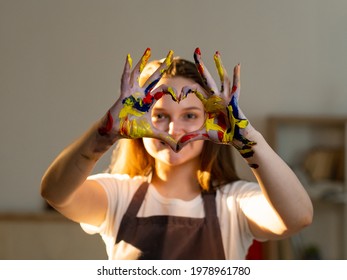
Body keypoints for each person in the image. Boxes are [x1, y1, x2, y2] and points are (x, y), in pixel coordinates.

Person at [40, 47, 313, 260]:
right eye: (159, 115)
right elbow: (55, 193)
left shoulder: (234, 202)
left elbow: (298, 217)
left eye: (190, 115)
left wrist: (249, 140)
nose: (174, 128)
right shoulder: (117, 195)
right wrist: (102, 134)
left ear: (214, 120)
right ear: (136, 124)